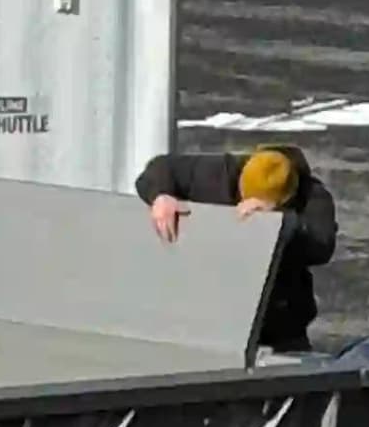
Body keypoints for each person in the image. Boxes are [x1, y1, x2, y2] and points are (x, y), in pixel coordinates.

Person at [136, 140, 337, 356]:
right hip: (213, 312)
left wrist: (280, 222)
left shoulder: (312, 195)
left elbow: (322, 245)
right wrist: (161, 195)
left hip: (280, 319)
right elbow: (159, 169)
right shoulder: (221, 172)